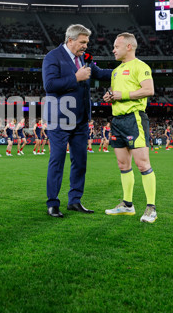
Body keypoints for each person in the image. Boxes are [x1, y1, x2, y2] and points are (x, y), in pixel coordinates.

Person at [42, 24, 112, 218]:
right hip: (59, 119)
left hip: (81, 120)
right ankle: (53, 203)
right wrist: (75, 77)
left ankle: (75, 201)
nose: (85, 46)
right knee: (57, 160)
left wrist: (126, 70)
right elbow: (49, 85)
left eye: (87, 43)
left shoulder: (84, 58)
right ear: (70, 40)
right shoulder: (52, 57)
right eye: (82, 42)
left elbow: (100, 73)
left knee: (80, 162)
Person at [103, 32, 158, 223]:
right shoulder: (115, 71)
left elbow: (148, 90)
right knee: (122, 165)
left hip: (134, 118)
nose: (113, 49)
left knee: (142, 164)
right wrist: (109, 96)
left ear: (128, 47)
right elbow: (116, 93)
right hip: (117, 120)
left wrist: (122, 94)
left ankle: (151, 208)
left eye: (116, 46)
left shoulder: (140, 66)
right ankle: (127, 205)